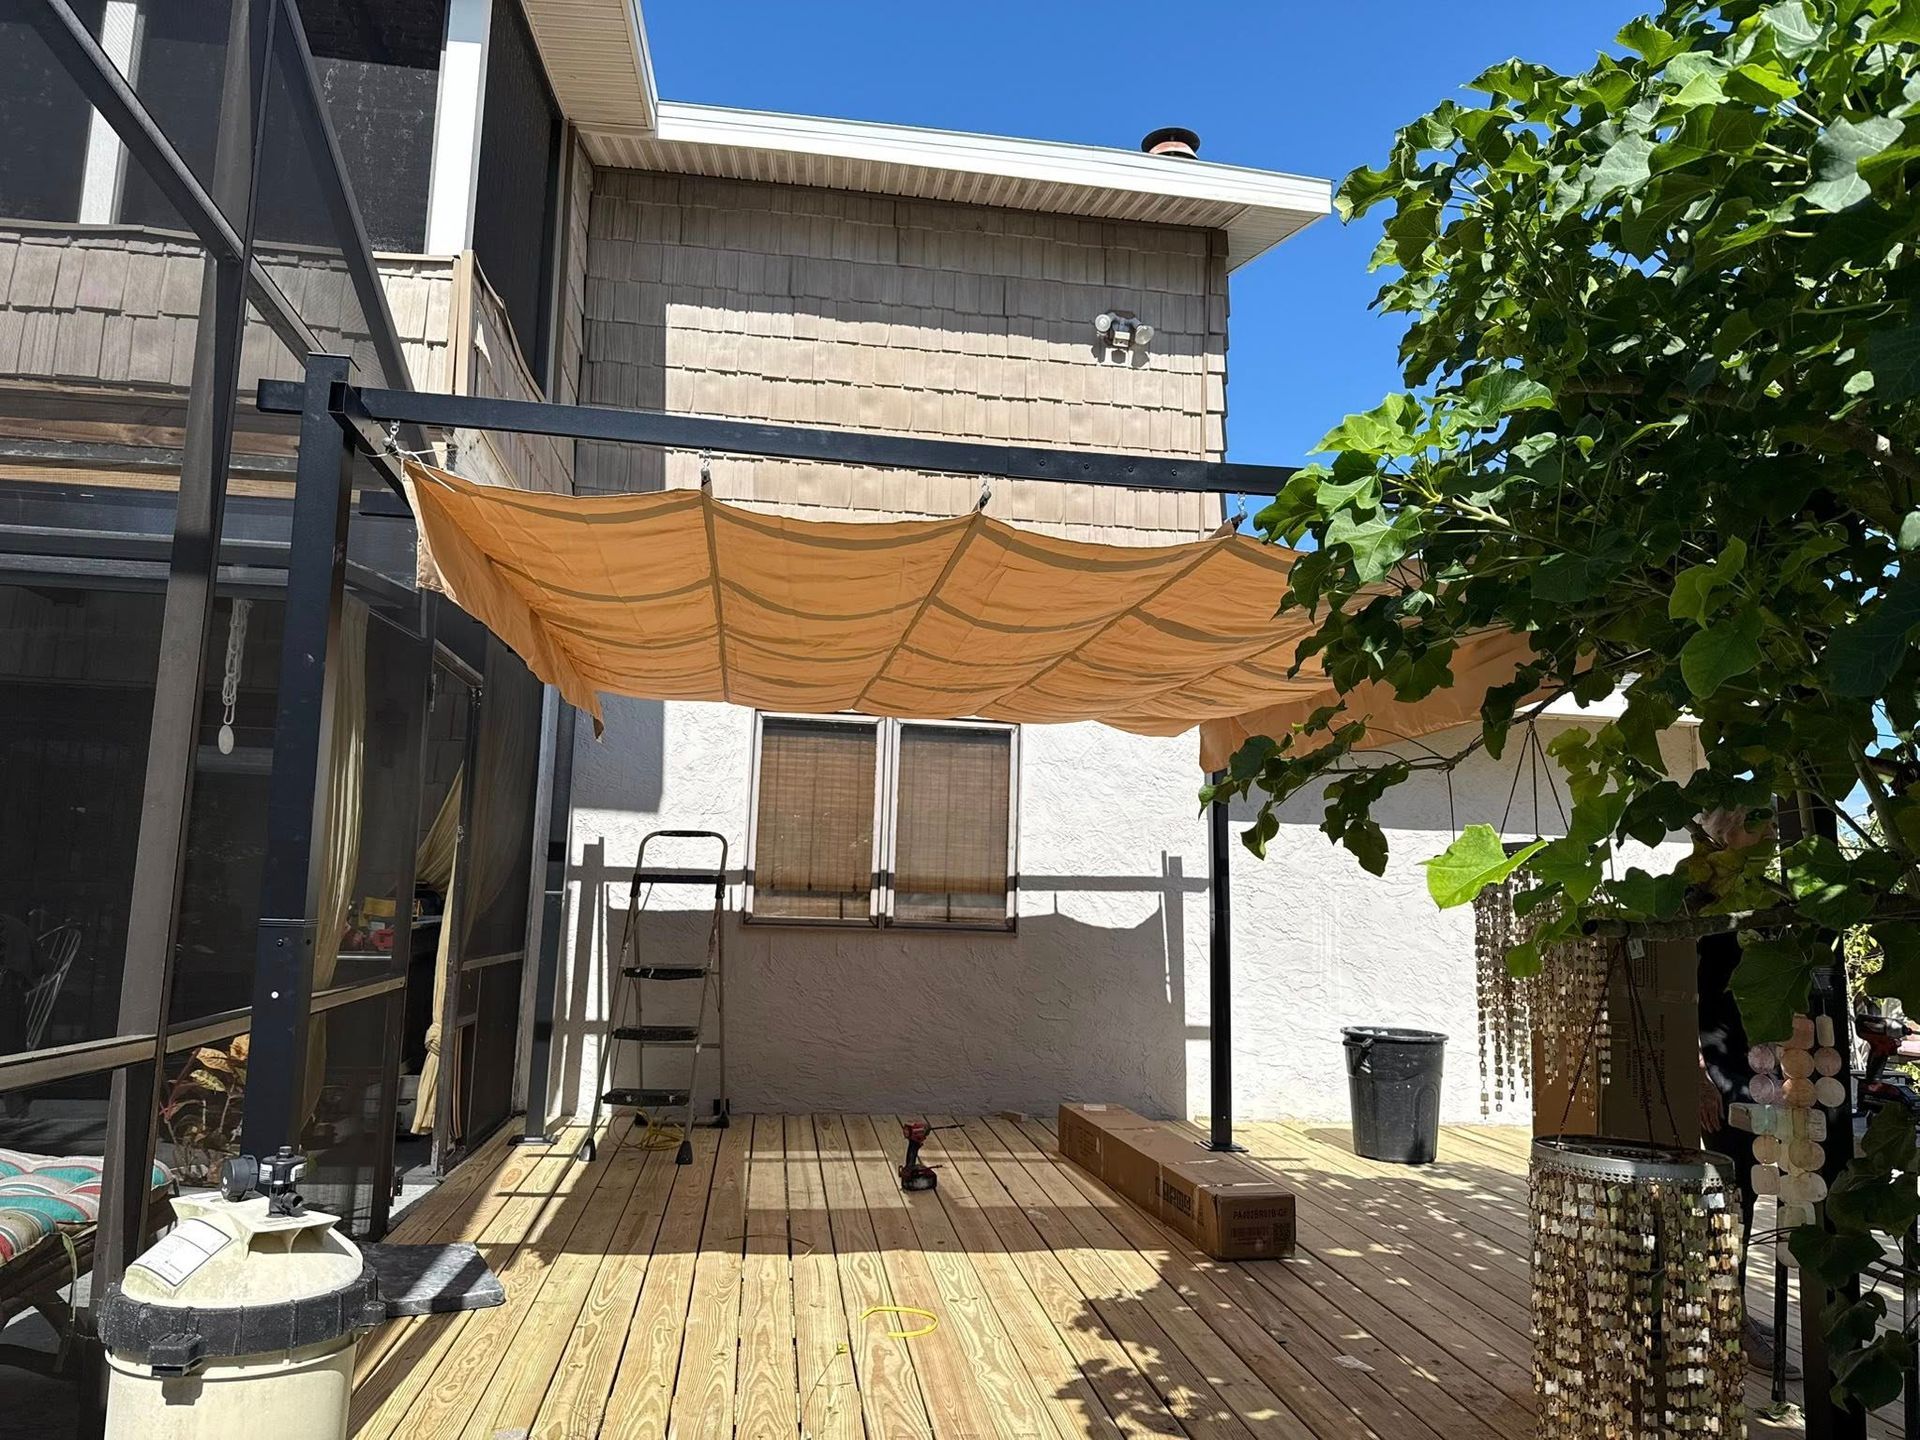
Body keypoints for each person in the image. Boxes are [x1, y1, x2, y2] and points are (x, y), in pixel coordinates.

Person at [1692, 805, 1798, 1377]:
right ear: (1725, 830)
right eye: (1762, 819)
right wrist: (1695, 1075)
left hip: (1766, 1075)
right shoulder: (1702, 904)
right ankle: (1715, 1316)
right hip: (1718, 1075)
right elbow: (1675, 992)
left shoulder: (1774, 902)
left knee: (1750, 1196)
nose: (1776, 828)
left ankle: (1727, 1313)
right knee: (1721, 1198)